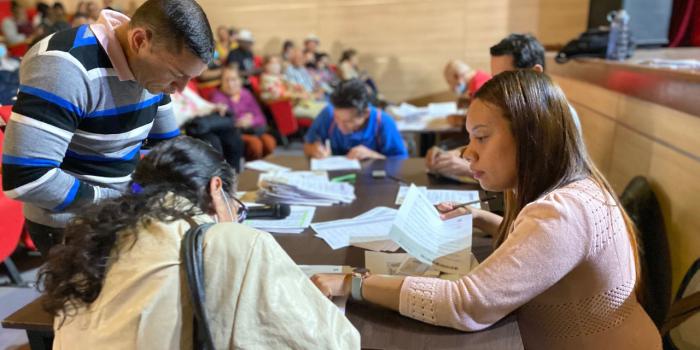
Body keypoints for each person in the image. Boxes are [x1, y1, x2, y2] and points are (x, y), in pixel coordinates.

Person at [312, 71, 661, 349]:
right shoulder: (571, 189)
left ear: (529, 138)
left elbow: (465, 305)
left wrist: (352, 282)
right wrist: (480, 217)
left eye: (481, 137)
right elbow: (540, 252)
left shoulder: (561, 214)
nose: (468, 154)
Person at [39, 136, 360, 349]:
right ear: (216, 189)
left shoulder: (95, 237)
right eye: (236, 207)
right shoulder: (231, 242)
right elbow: (334, 342)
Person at [1, 0, 213, 256]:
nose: (180, 89)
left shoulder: (151, 67)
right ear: (139, 40)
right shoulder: (64, 66)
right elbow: (27, 178)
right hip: (72, 224)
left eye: (189, 78)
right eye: (176, 74)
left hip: (123, 209)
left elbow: (167, 150)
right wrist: (124, 199)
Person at [426, 33, 580, 180]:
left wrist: (468, 168)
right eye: (494, 79)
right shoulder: (514, 111)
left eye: (505, 79)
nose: (497, 89)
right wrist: (454, 155)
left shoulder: (556, 118)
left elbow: (534, 179)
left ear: (534, 74)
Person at [304, 79, 407, 160]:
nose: (340, 127)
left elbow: (401, 161)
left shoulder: (383, 122)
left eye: (347, 122)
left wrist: (373, 155)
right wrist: (314, 150)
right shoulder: (328, 113)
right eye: (337, 119)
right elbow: (308, 145)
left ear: (366, 113)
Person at [172, 83, 244, 172]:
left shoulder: (182, 87)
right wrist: (193, 114)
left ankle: (234, 174)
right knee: (212, 141)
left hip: (202, 122)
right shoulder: (163, 94)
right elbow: (174, 120)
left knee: (232, 136)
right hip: (188, 128)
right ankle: (218, 177)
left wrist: (215, 107)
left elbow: (202, 104)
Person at [211, 65, 277, 160]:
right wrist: (241, 121)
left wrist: (251, 121)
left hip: (252, 129)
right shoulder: (217, 97)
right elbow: (225, 120)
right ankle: (249, 171)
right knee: (255, 145)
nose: (230, 84)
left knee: (269, 142)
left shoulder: (246, 94)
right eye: (226, 80)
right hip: (234, 133)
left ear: (239, 81)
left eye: (233, 80)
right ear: (221, 82)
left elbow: (261, 118)